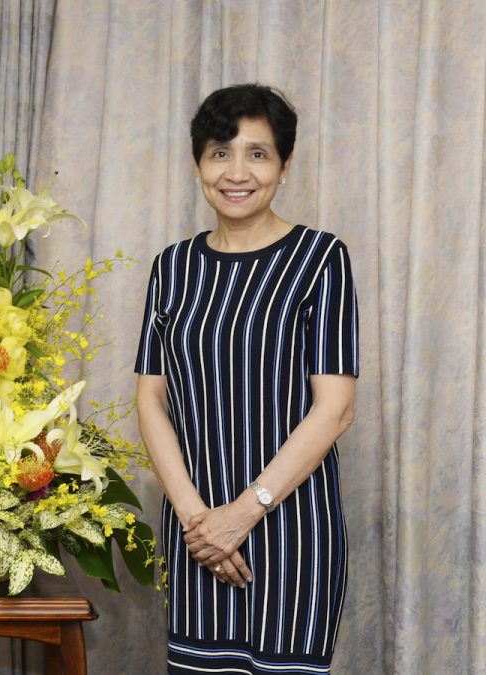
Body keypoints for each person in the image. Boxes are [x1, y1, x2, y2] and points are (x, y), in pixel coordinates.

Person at [134, 84, 358, 674]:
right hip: (196, 533)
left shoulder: (320, 259)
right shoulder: (172, 267)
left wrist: (244, 512)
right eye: (220, 152)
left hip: (291, 531)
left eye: (257, 154)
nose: (237, 171)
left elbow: (334, 409)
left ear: (285, 166)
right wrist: (196, 519)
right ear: (198, 165)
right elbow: (151, 399)